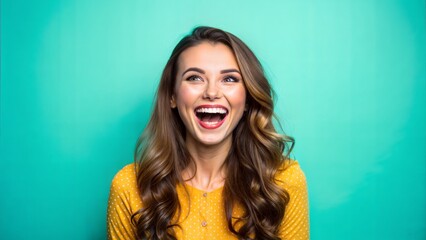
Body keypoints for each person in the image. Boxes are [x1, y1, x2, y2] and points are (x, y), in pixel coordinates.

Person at [107, 26, 309, 240]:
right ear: (172, 97)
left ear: (248, 98)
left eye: (229, 79)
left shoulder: (283, 182)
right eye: (195, 78)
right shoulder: (129, 186)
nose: (212, 93)